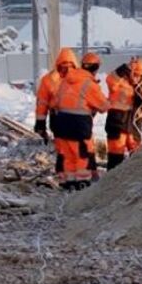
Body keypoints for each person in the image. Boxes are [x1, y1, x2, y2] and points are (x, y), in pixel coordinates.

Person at [49, 51, 109, 190]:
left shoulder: (65, 81)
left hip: (61, 123)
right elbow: (103, 106)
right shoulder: (90, 84)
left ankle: (69, 184)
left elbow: (56, 102)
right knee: (82, 155)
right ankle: (83, 185)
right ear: (96, 68)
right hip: (79, 126)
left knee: (68, 156)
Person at [34, 48, 78, 177]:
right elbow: (42, 104)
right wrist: (40, 124)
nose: (67, 68)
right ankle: (68, 176)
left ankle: (68, 175)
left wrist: (40, 124)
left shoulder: (48, 80)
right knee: (67, 149)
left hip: (63, 118)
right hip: (68, 118)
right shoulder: (80, 78)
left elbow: (42, 104)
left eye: (69, 66)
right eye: (65, 66)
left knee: (67, 149)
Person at [104, 62, 134, 170]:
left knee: (135, 152)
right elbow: (110, 79)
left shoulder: (137, 85)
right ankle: (111, 181)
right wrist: (121, 70)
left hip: (130, 121)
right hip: (116, 120)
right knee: (115, 155)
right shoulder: (118, 82)